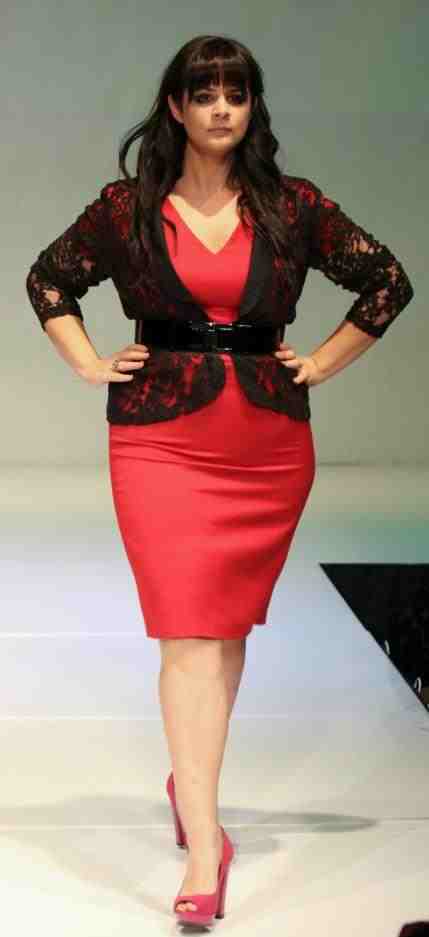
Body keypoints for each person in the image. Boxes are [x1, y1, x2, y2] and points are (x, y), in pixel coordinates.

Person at [25, 34, 414, 925]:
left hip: (265, 445)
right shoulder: (128, 209)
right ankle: (206, 841)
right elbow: (49, 281)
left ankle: (189, 783)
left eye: (235, 94)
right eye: (203, 94)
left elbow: (385, 282)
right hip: (158, 439)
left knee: (223, 630)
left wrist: (321, 361)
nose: (220, 109)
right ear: (175, 108)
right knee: (187, 632)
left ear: (251, 108)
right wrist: (88, 363)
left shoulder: (291, 206)